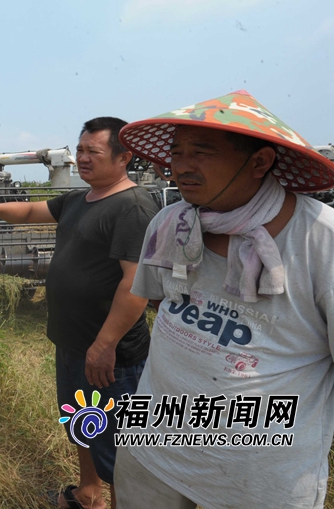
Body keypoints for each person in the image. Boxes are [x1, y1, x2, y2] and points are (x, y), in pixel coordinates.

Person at [113, 90, 334, 509]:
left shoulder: (320, 240)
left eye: (202, 152)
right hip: (154, 446)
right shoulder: (170, 224)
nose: (182, 166)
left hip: (257, 476)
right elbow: (164, 305)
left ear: (259, 162)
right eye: (176, 152)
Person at [0, 117, 158, 509]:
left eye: (93, 152)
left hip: (110, 354)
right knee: (81, 423)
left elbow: (136, 285)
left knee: (119, 446)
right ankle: (88, 493)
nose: (83, 158)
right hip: (73, 343)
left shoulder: (133, 207)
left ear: (124, 158)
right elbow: (34, 212)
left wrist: (105, 344)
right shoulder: (80, 199)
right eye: (80, 149)